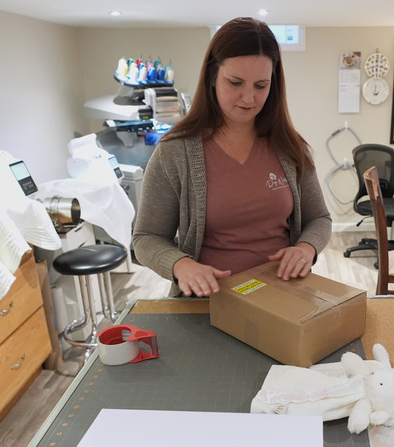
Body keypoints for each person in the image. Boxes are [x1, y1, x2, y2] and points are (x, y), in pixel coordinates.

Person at [133, 17, 332, 297]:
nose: (248, 98)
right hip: (208, 303)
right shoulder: (175, 151)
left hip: (283, 298)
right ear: (212, 77)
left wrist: (306, 248)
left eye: (261, 86)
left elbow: (319, 218)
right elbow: (146, 238)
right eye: (236, 83)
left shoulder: (290, 147)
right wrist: (181, 265)